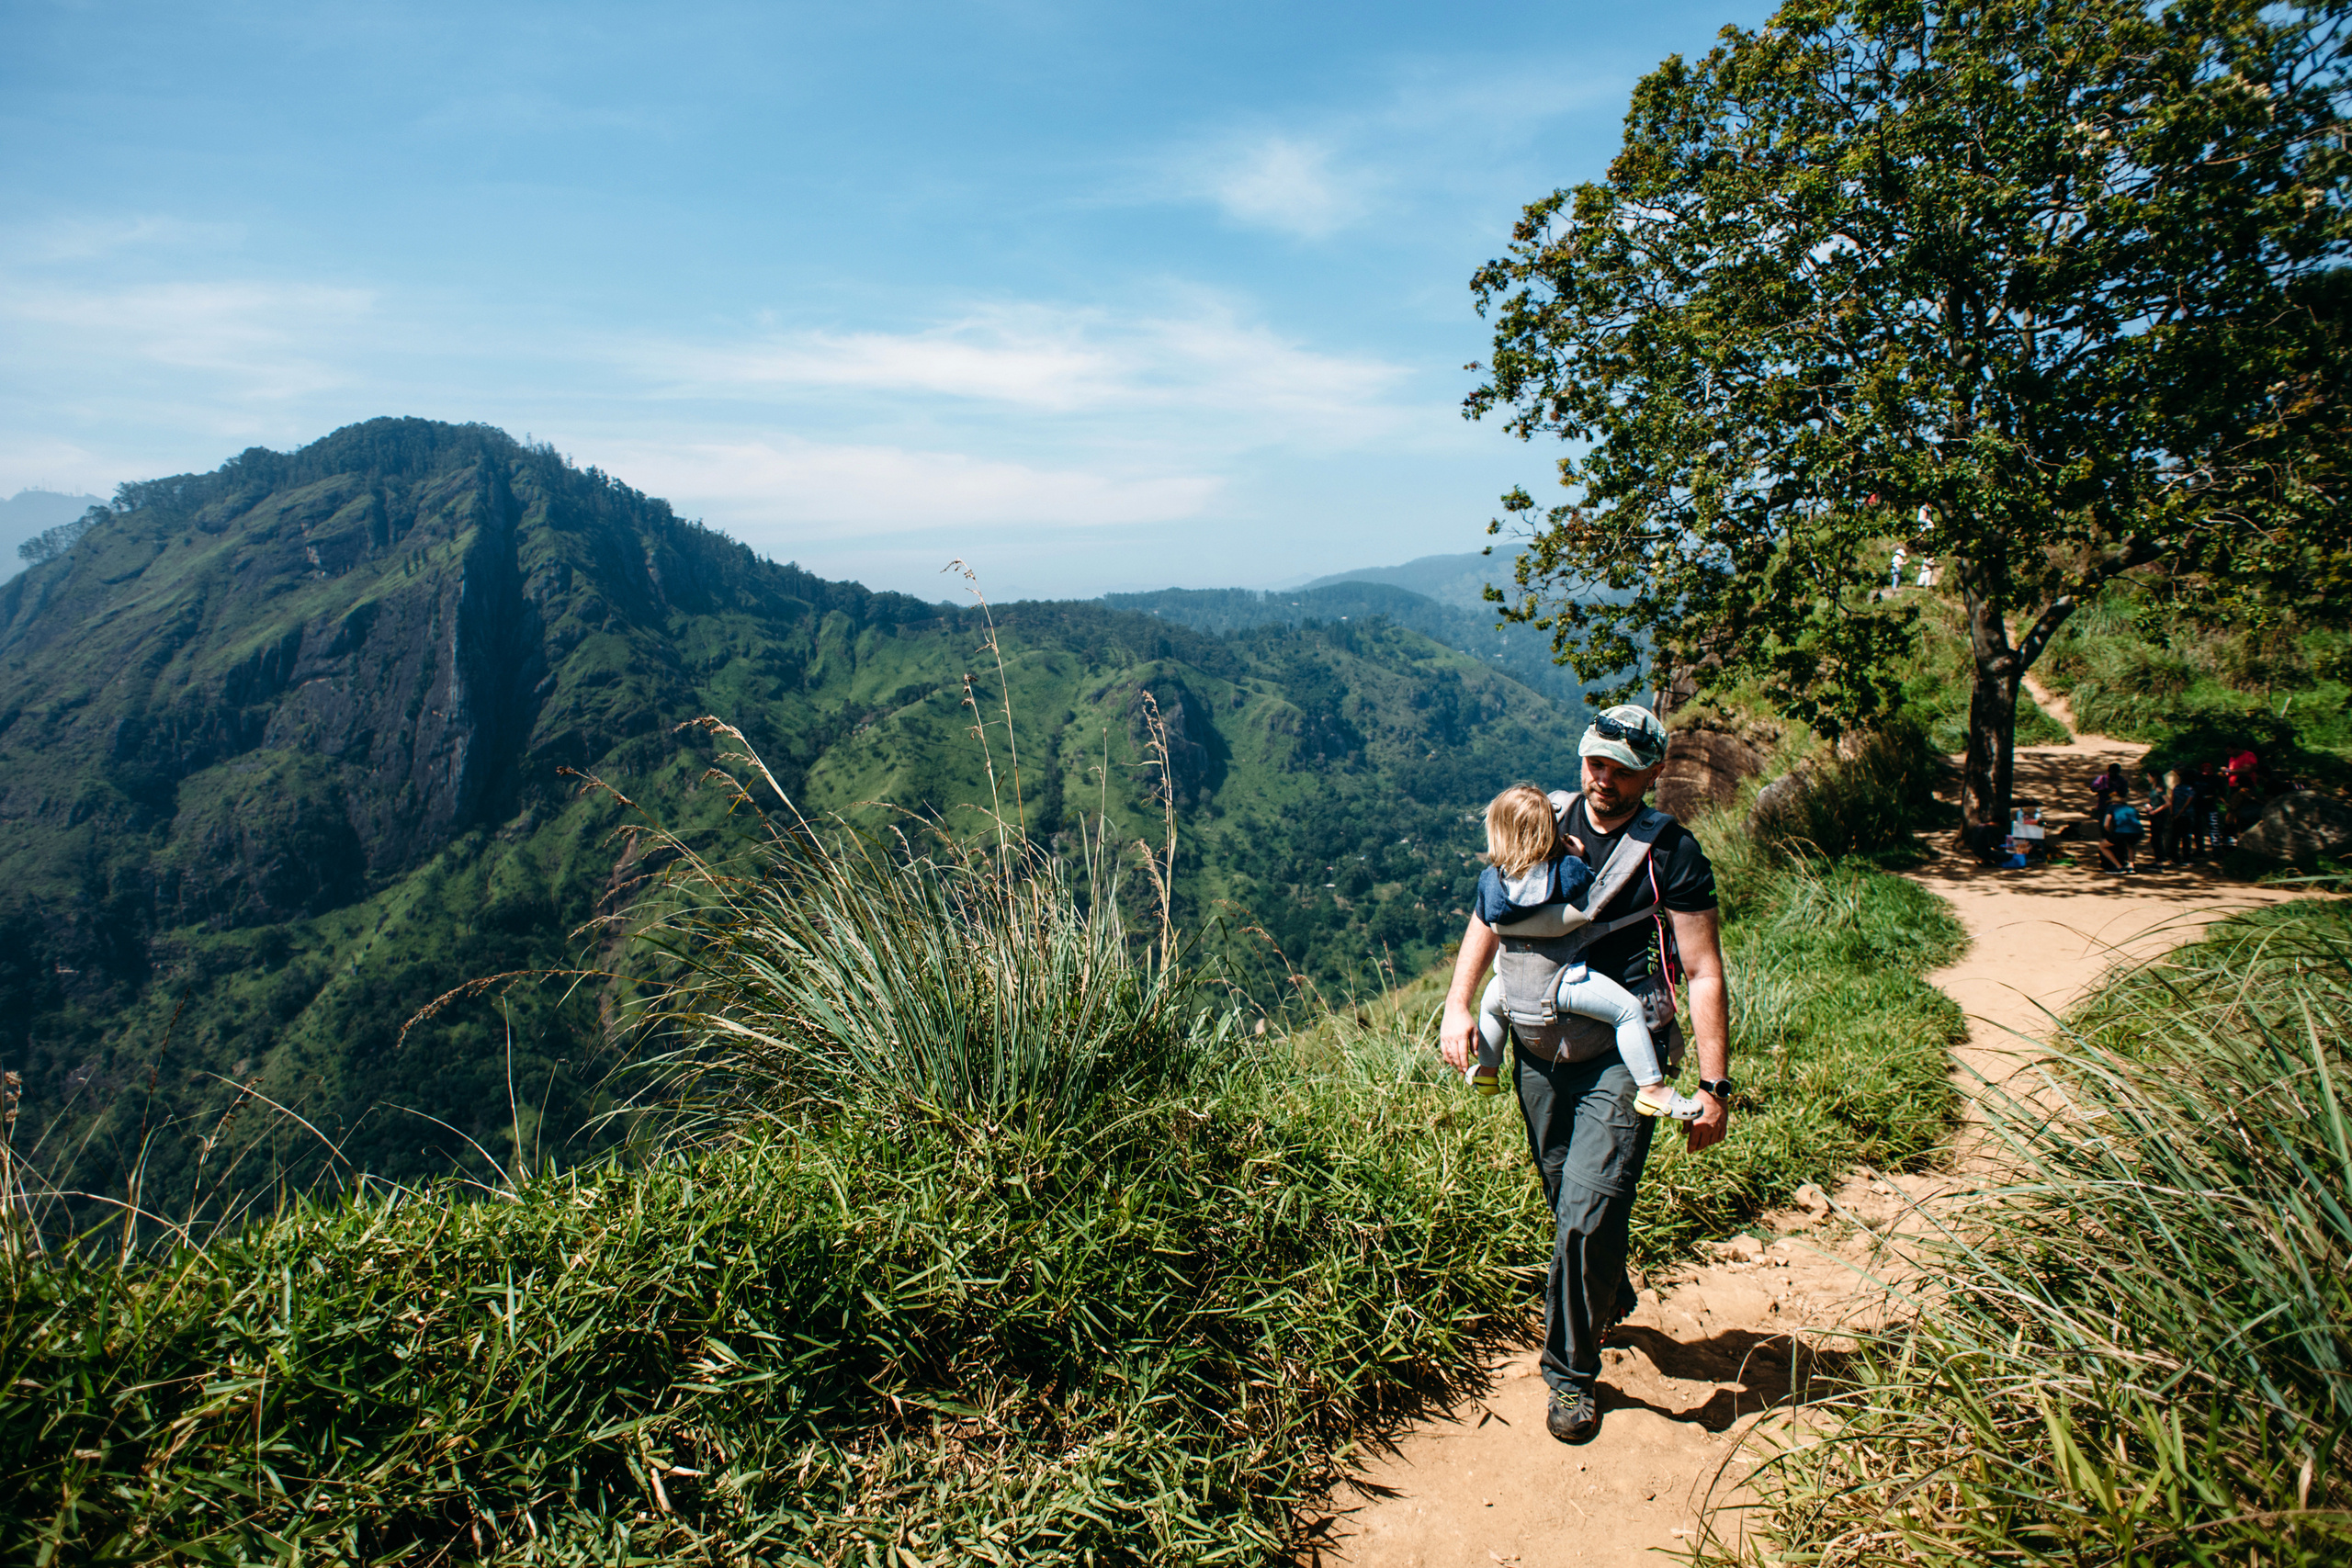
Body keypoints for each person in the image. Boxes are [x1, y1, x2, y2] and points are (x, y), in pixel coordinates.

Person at [1439, 705, 1732, 1446]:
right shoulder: (1544, 819)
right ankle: (1605, 1285)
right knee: (1568, 1189)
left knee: (1583, 1209)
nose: (1602, 779)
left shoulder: (1670, 851)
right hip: (1539, 1048)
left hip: (1619, 1057)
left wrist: (1714, 1087)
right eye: (1593, 762)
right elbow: (1491, 910)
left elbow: (1701, 970)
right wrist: (1457, 1002)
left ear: (1653, 772)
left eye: (1621, 768)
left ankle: (1569, 1373)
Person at [1466, 784, 1706, 1122]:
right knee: (1627, 1012)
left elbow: (1489, 913)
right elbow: (1589, 889)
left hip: (1509, 986)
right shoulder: (1565, 870)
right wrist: (1574, 854)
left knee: (1490, 1012)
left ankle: (1488, 1072)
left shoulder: (1491, 881)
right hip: (1563, 983)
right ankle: (1652, 1090)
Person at [2098, 792, 2144, 874]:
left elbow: (2106, 824)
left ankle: (2119, 867)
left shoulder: (2111, 808)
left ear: (2113, 802)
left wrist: (2109, 833)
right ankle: (2131, 866)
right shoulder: (2131, 809)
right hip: (2138, 832)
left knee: (2102, 846)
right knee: (2130, 846)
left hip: (2121, 831)